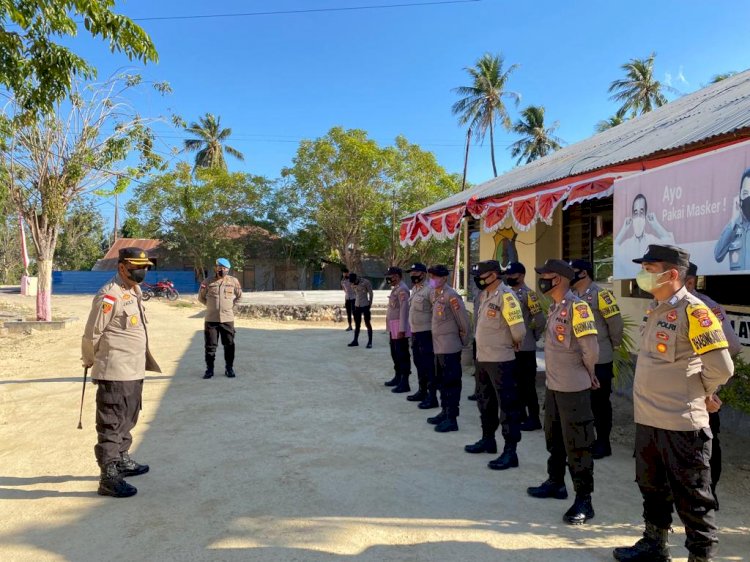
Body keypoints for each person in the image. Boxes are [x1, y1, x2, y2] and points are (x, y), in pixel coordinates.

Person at [613, 245, 734, 562]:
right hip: (649, 421)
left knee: (693, 499)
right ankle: (654, 545)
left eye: (651, 268)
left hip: (682, 424)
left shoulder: (695, 312)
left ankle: (700, 557)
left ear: (673, 274)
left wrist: (701, 391)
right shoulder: (655, 308)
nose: (644, 274)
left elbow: (722, 367)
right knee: (651, 488)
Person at [81, 247, 161, 498]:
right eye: (137, 267)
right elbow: (92, 333)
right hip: (114, 370)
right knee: (111, 423)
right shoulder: (109, 295)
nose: (142, 271)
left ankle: (122, 458)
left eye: (145, 267)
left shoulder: (133, 290)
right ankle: (108, 475)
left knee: (130, 415)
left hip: (134, 368)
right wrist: (90, 361)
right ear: (122, 267)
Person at [527, 259, 599, 526]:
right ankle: (556, 482)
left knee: (578, 445)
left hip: (573, 388)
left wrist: (589, 374)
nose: (542, 279)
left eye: (545, 275)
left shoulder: (578, 308)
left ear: (558, 279)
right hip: (554, 387)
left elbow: (590, 350)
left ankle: (584, 500)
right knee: (554, 439)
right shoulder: (557, 307)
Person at [684, 262, 741, 511]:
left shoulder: (706, 308)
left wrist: (708, 382)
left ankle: (709, 493)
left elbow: (732, 347)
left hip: (701, 391)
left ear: (689, 282)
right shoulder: (662, 306)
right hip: (673, 394)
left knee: (705, 443)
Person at [464, 260, 527, 471]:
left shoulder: (506, 296)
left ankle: (510, 451)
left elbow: (518, 330)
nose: (478, 279)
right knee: (485, 401)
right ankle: (488, 439)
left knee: (507, 406)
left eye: (480, 275)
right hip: (483, 358)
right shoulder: (485, 295)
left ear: (493, 275)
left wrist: (513, 341)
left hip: (501, 360)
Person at [570, 259, 624, 459]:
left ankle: (603, 442)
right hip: (578, 358)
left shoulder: (601, 295)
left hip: (600, 357)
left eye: (573, 271)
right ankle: (587, 439)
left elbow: (616, 325)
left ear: (584, 273)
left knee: (600, 403)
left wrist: (612, 345)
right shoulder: (573, 296)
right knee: (583, 402)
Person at [426, 264, 471, 433]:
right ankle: (444, 412)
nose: (433, 280)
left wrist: (463, 341)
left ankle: (452, 418)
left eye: (435, 277)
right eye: (431, 277)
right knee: (441, 382)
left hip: (450, 347)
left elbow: (464, 322)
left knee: (451, 383)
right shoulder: (436, 295)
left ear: (444, 278)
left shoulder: (452, 296)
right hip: (438, 347)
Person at [504, 261, 546, 431]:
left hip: (525, 347)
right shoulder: (506, 293)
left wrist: (533, 336)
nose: (508, 277)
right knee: (514, 384)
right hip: (509, 346)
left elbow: (540, 320)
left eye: (512, 275)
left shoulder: (529, 295)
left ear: (521, 276)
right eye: (507, 274)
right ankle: (519, 414)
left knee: (527, 385)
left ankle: (534, 419)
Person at [198, 258, 243, 379]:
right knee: (210, 346)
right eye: (220, 267)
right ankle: (209, 370)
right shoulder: (207, 281)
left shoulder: (233, 281)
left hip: (227, 319)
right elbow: (201, 298)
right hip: (211, 319)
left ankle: (229, 368)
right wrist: (211, 306)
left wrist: (229, 307)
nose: (222, 270)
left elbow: (239, 297)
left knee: (229, 345)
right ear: (215, 268)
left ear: (228, 269)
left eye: (225, 268)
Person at [615, 193, 675, 278]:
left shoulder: (652, 242)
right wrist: (623, 230)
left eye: (641, 212)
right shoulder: (626, 245)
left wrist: (656, 225)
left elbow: (671, 248)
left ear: (646, 215)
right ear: (632, 216)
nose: (638, 216)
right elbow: (615, 253)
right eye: (635, 212)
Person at [406, 263, 438, 408]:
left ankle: (432, 397)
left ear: (423, 274)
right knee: (419, 363)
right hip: (415, 333)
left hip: (427, 334)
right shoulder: (415, 289)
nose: (413, 275)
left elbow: (437, 311)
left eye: (416, 272)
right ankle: (422, 391)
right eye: (411, 272)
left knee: (429, 366)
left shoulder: (430, 289)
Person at [714, 168, 750, 270]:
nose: (749, 198)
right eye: (745, 193)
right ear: (739, 197)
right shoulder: (733, 226)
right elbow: (718, 256)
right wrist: (733, 220)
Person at [384, 267, 412, 392]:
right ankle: (397, 376)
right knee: (395, 353)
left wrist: (402, 329)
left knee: (402, 354)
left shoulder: (402, 290)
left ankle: (404, 382)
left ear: (396, 276)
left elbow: (404, 310)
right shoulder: (396, 288)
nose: (388, 279)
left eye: (390, 276)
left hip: (399, 326)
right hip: (393, 326)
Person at [348, 272, 373, 348]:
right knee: (357, 324)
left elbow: (371, 293)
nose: (353, 283)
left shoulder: (365, 282)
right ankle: (355, 341)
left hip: (365, 304)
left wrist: (370, 303)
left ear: (356, 278)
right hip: (357, 305)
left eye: (354, 281)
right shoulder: (352, 283)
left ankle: (370, 342)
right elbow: (356, 293)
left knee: (367, 323)